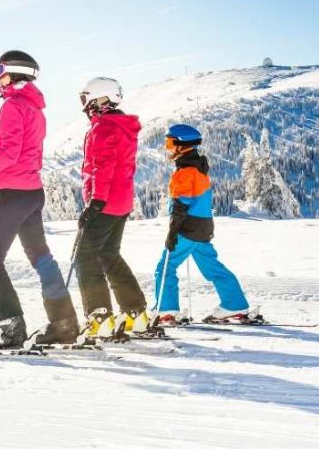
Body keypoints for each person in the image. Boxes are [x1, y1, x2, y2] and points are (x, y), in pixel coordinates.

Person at [0, 50, 79, 349]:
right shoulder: (35, 108)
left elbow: (9, 154)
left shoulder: (13, 105)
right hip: (31, 192)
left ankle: (10, 329)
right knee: (41, 258)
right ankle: (64, 324)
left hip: (14, 194)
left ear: (13, 71)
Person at [152, 124, 253, 324]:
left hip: (187, 228)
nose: (169, 148)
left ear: (182, 145)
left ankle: (166, 311)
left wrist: (172, 232)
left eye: (170, 143)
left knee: (166, 266)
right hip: (203, 227)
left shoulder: (184, 172)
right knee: (213, 268)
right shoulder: (200, 169)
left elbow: (181, 205)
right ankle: (234, 304)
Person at [76, 77, 149, 336]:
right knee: (108, 255)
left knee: (85, 257)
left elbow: (102, 167)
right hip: (121, 202)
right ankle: (135, 313)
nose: (85, 105)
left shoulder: (104, 127)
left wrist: (96, 200)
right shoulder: (122, 125)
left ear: (101, 98)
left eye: (87, 99)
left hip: (104, 202)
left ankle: (99, 317)